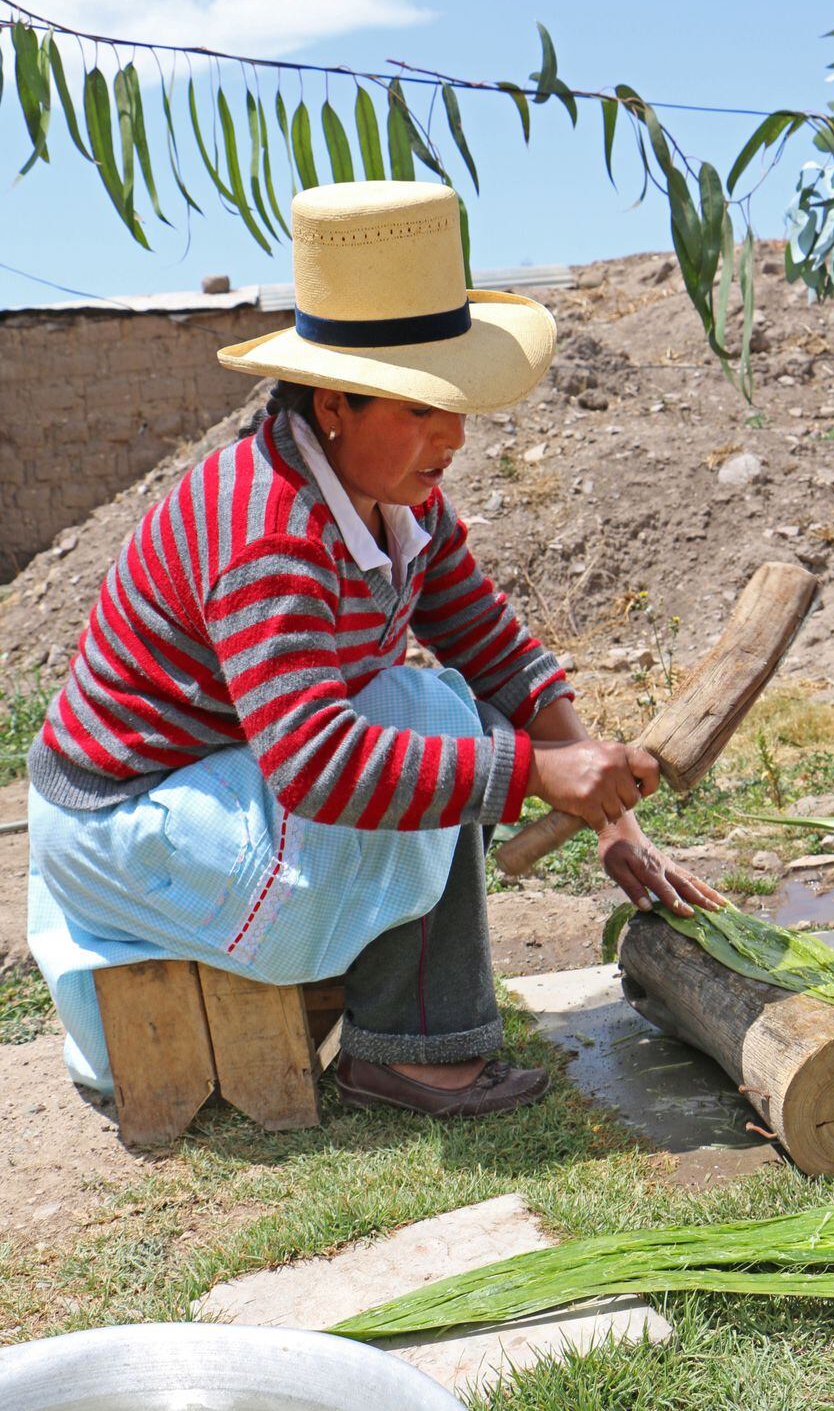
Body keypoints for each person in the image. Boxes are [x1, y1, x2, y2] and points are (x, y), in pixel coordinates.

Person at [26, 181, 724, 1117]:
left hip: (228, 781)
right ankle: (415, 1054)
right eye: (421, 411)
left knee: (442, 711)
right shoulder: (268, 531)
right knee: (427, 716)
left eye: (457, 408)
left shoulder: (396, 498)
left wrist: (611, 817)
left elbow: (491, 642)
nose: (454, 438)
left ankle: (409, 1034)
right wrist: (535, 774)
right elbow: (316, 765)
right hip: (133, 822)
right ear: (333, 406)